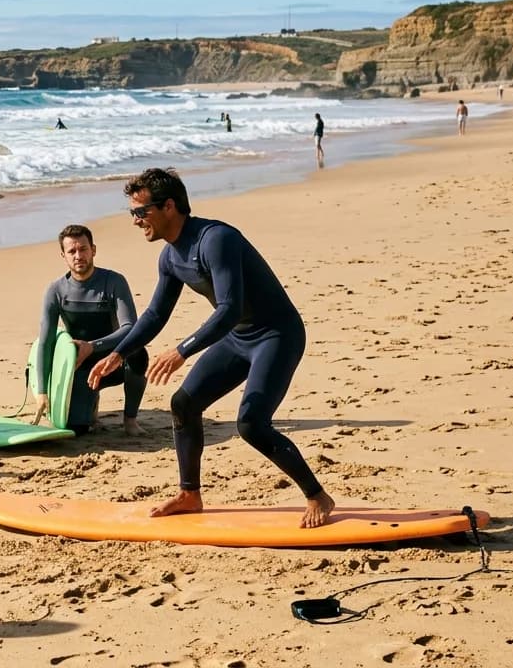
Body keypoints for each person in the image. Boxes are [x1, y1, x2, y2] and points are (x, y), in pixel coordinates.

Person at [87, 168, 334, 529]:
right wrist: (118, 353)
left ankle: (317, 495)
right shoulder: (170, 257)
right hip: (239, 336)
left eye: (141, 212)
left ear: (169, 206)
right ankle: (190, 494)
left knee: (251, 424)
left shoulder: (216, 239)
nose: (136, 221)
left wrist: (181, 351)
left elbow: (229, 308)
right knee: (184, 403)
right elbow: (156, 314)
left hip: (277, 335)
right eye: (132, 214)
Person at [32, 225, 147, 436]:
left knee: (138, 353)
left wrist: (92, 347)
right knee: (78, 429)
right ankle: (90, 403)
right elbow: (46, 342)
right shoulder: (56, 290)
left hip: (114, 360)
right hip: (79, 365)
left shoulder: (113, 282)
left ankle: (130, 419)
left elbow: (130, 328)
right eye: (72, 251)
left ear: (93, 250)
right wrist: (41, 391)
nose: (78, 256)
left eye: (83, 249)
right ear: (63, 256)